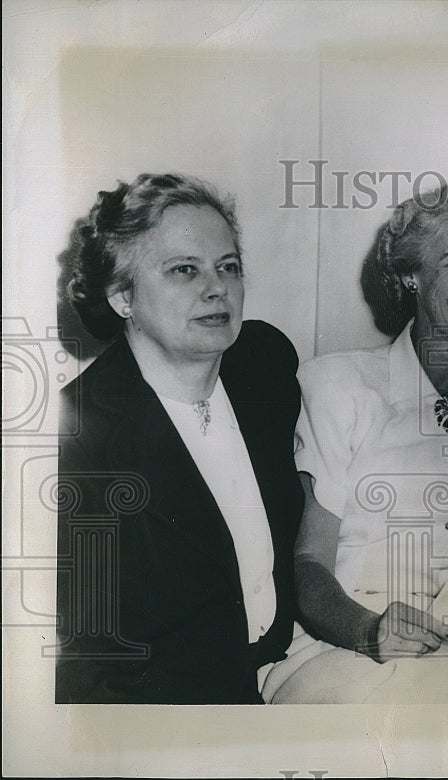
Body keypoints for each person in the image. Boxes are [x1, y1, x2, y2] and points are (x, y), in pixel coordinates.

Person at [261, 166, 448, 703]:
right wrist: (368, 630)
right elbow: (308, 563)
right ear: (412, 275)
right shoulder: (338, 383)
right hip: (348, 650)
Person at [55, 173, 303, 703]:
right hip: (170, 704)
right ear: (122, 296)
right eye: (183, 270)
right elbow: (93, 662)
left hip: (284, 660)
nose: (217, 289)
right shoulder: (76, 441)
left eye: (228, 267)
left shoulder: (265, 366)